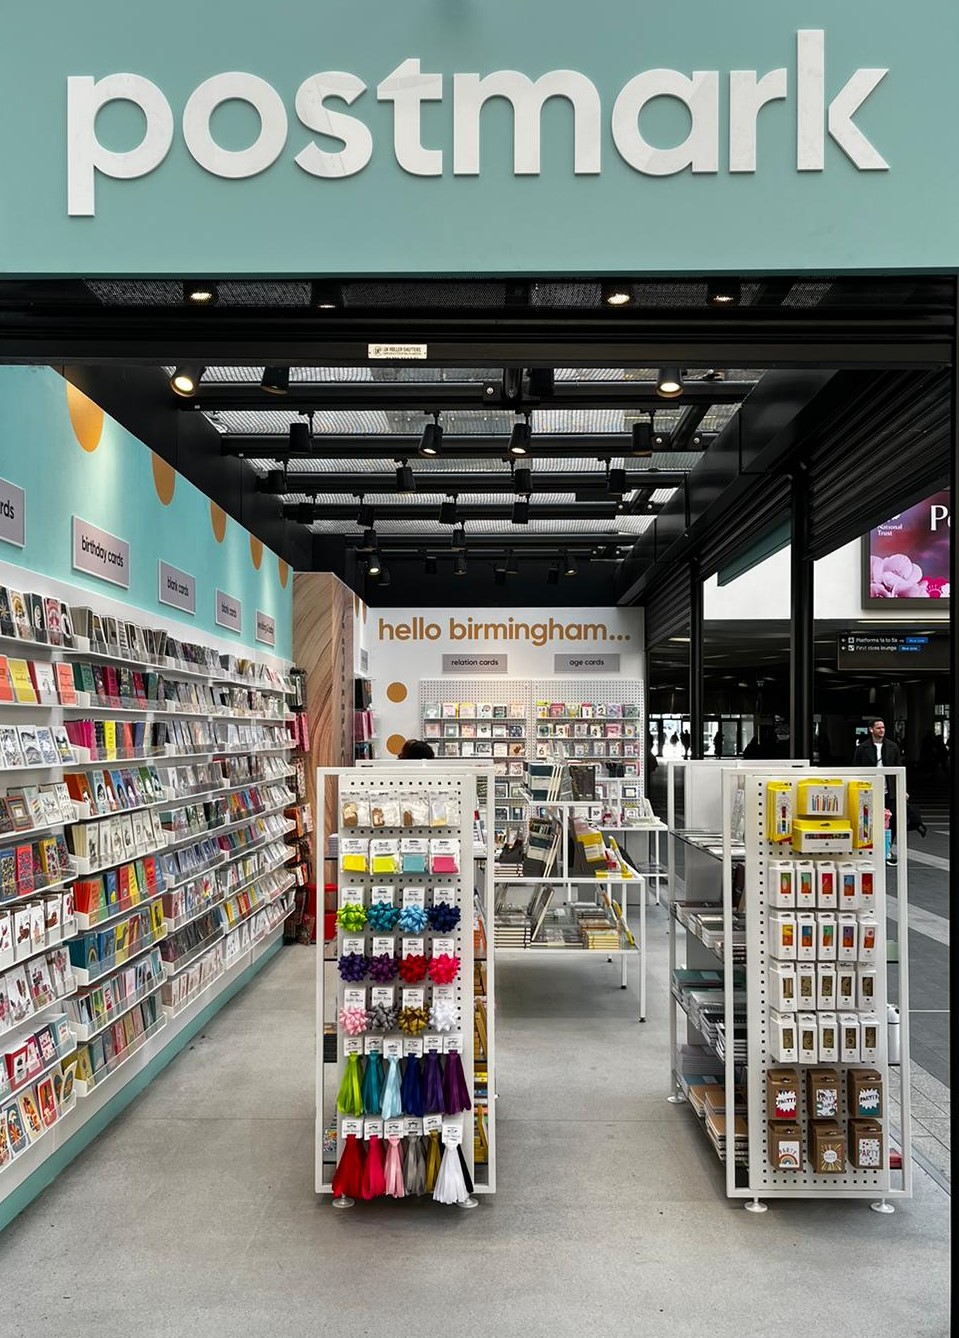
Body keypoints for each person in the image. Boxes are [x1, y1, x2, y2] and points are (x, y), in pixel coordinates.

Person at [852, 718, 902, 864]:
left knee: (891, 820)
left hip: (888, 790)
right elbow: (856, 769)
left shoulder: (892, 747)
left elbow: (898, 768)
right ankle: (870, 849)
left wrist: (902, 789)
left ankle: (887, 849)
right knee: (868, 820)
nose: (882, 730)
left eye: (883, 727)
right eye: (878, 728)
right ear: (871, 730)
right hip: (870, 791)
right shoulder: (862, 748)